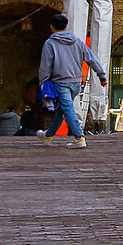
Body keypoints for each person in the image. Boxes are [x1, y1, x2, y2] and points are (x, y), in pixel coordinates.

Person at [36, 12, 106, 148]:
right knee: (62, 110)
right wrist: (101, 75)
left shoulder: (50, 43)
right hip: (76, 83)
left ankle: (79, 137)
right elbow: (91, 58)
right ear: (66, 26)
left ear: (51, 27)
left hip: (61, 82)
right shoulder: (77, 41)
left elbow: (45, 66)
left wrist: (43, 83)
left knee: (68, 109)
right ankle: (47, 136)